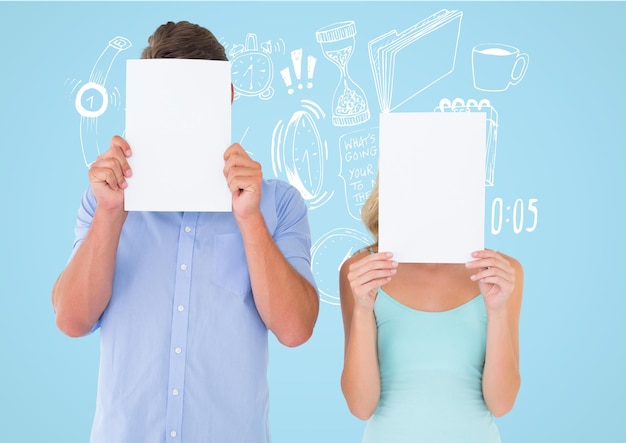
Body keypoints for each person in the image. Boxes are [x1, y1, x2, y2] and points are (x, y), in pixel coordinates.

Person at [51, 21, 319, 443]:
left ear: (227, 96)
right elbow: (70, 320)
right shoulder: (104, 200)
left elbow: (295, 330)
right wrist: (109, 214)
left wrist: (249, 219)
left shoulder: (278, 204)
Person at [339, 177, 523, 442]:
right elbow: (360, 405)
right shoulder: (362, 273)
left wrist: (497, 310)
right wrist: (363, 309)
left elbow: (502, 403)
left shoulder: (500, 273)